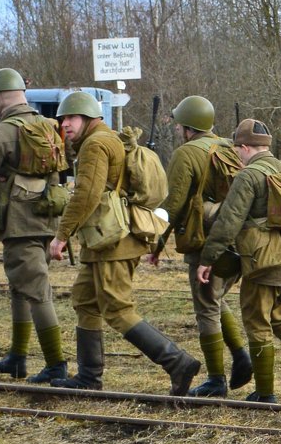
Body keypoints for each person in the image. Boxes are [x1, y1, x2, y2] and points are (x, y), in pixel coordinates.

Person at [49, 90, 201, 395]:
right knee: (85, 300)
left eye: (72, 117)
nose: (65, 123)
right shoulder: (99, 141)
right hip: (101, 238)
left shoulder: (96, 144)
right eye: (62, 118)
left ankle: (178, 362)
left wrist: (61, 234)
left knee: (117, 308)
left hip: (114, 240)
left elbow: (87, 194)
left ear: (90, 118)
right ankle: (90, 376)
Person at [197, 119, 281, 405]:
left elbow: (228, 222)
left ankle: (265, 393)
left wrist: (208, 259)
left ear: (245, 147)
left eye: (237, 150)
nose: (237, 156)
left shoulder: (249, 176)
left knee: (257, 323)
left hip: (263, 261)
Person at [146, 95, 252, 398]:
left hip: (204, 240)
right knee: (215, 299)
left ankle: (216, 380)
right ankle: (240, 355)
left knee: (206, 309)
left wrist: (156, 242)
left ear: (186, 127)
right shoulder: (227, 147)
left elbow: (174, 205)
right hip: (234, 237)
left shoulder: (185, 154)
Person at [0, 68, 68, 383]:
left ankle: (56, 364)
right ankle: (17, 357)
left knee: (37, 291)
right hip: (47, 217)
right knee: (20, 288)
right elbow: (58, 173)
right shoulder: (48, 127)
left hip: (18, 223)